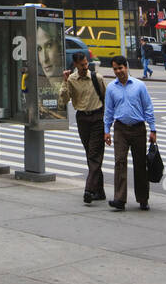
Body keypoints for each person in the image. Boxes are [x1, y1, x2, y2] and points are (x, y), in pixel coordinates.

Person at [104, 55, 157, 211]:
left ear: (126, 67)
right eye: (115, 69)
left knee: (140, 163)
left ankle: (143, 199)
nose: (118, 71)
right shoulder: (111, 88)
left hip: (138, 128)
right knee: (119, 162)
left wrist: (153, 129)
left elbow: (148, 107)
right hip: (120, 128)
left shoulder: (139, 85)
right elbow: (109, 110)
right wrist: (106, 130)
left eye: (120, 68)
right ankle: (119, 199)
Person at [58, 52, 107, 204]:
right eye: (82, 65)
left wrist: (108, 123)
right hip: (82, 119)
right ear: (75, 65)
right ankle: (100, 191)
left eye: (86, 64)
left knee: (94, 155)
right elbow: (63, 100)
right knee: (90, 154)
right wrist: (65, 81)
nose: (85, 67)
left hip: (98, 117)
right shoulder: (71, 79)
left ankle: (89, 190)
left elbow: (106, 98)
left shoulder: (97, 78)